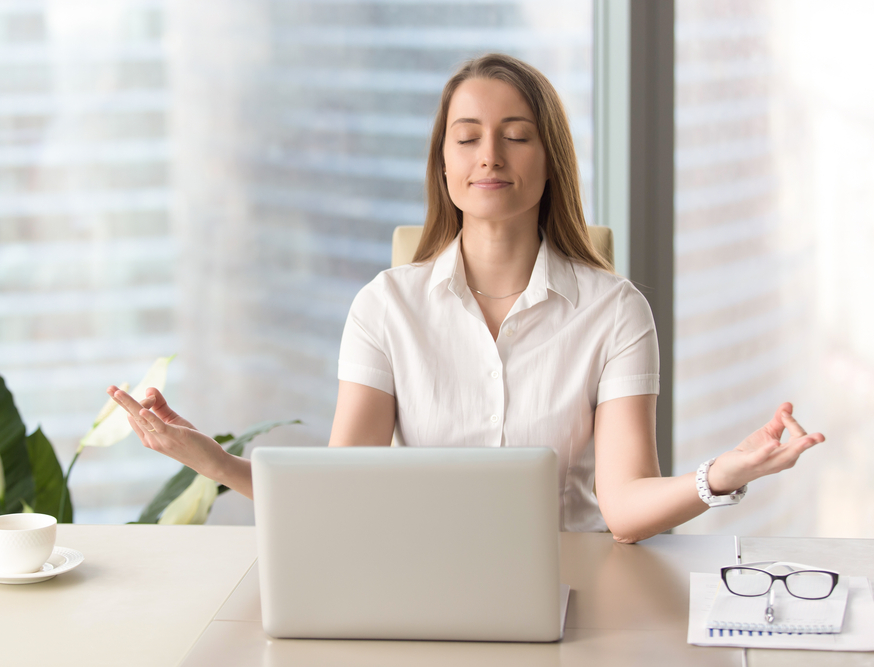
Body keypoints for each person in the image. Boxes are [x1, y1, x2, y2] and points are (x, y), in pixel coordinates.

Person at [107, 53, 824, 543]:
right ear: (443, 164)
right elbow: (340, 491)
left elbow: (626, 506)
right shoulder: (385, 307)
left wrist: (717, 477)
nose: (490, 156)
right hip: (423, 578)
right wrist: (216, 462)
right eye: (467, 137)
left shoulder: (616, 312)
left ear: (550, 165)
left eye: (516, 136)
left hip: (574, 578)